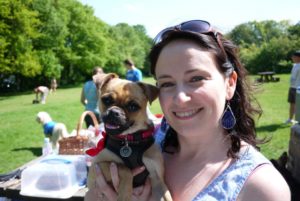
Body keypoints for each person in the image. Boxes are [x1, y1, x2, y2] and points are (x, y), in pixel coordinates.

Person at [86, 20, 290, 201]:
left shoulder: (263, 188)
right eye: (166, 83)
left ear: (230, 84)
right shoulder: (149, 140)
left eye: (196, 79)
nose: (180, 98)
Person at [285, 50, 300, 124]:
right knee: (292, 104)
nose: (292, 58)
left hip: (296, 88)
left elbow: (293, 78)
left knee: (296, 104)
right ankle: (290, 119)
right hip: (293, 87)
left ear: (298, 57)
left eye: (294, 56)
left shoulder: (298, 66)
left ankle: (296, 120)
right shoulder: (295, 65)